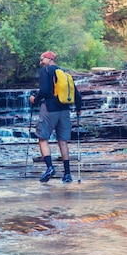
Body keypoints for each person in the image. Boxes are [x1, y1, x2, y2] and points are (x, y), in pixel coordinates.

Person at [29, 50, 82, 183]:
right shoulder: (64, 74)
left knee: (43, 138)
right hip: (64, 110)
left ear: (49, 59)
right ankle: (67, 174)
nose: (41, 62)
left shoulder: (46, 71)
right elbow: (76, 94)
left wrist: (35, 99)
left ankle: (50, 168)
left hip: (49, 109)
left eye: (42, 59)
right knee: (62, 142)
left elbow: (45, 91)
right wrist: (79, 109)